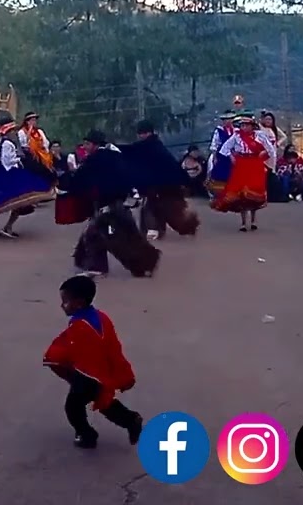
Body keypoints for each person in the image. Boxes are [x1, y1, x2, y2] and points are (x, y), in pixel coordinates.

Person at [42, 276, 144, 449]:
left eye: (65, 301)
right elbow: (112, 346)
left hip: (87, 375)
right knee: (104, 402)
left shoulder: (80, 326)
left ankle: (86, 435)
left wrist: (56, 357)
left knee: (73, 407)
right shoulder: (101, 317)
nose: (62, 306)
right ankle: (130, 420)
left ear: (79, 303)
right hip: (99, 373)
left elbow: (72, 349)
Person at [59, 130, 160, 278]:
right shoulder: (115, 156)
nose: (85, 147)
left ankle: (99, 267)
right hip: (118, 203)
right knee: (127, 234)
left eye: (87, 144)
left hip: (108, 205)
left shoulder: (96, 160)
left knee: (98, 235)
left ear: (95, 144)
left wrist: (66, 188)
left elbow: (80, 180)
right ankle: (146, 261)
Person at [121, 119, 198, 240]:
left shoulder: (151, 146)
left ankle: (183, 226)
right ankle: (153, 230)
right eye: (140, 133)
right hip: (159, 185)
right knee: (154, 206)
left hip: (165, 185)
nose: (141, 136)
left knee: (166, 211)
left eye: (143, 133)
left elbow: (130, 150)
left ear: (149, 133)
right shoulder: (151, 146)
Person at [212, 113, 277, 231]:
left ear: (252, 126)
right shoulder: (236, 136)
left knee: (254, 192)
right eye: (242, 125)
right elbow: (224, 149)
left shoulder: (260, 136)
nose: (243, 127)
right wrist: (231, 156)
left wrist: (264, 158)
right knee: (241, 194)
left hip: (255, 165)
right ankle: (243, 223)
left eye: (246, 125)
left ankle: (253, 220)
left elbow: (271, 150)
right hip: (241, 165)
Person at [205, 110, 237, 199]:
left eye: (230, 119)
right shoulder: (219, 130)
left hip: (234, 155)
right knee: (220, 174)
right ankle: (219, 194)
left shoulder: (236, 131)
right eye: (226, 119)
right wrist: (214, 157)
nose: (228, 121)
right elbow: (215, 144)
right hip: (222, 156)